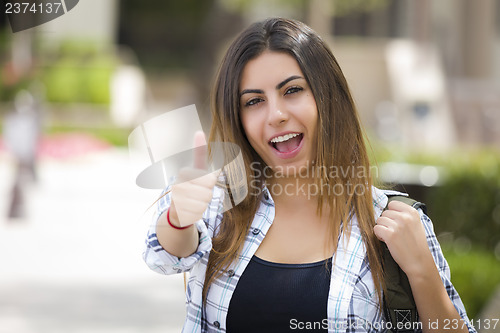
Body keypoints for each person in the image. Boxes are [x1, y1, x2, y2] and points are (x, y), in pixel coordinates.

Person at [143, 18, 475, 333]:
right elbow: (164, 257)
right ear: (238, 118)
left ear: (327, 97)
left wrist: (422, 274)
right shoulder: (218, 201)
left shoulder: (392, 222)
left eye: (292, 91)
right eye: (254, 101)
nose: (276, 115)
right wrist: (179, 219)